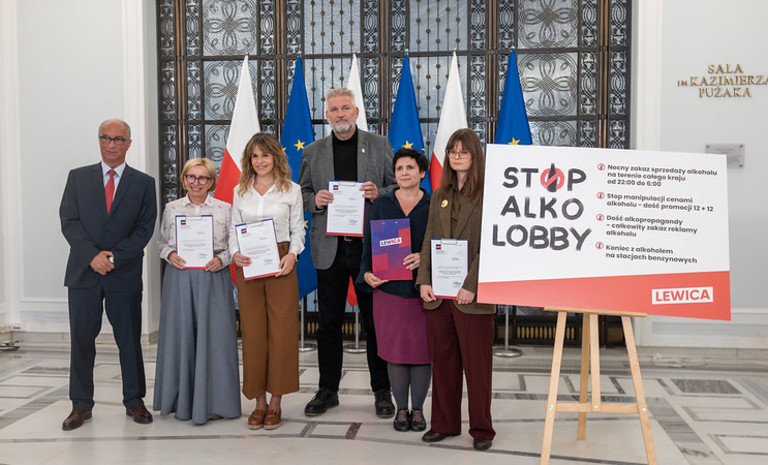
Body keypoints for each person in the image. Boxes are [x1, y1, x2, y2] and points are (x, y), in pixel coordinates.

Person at [299, 87, 397, 418]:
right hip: (330, 248)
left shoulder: (379, 145)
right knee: (328, 324)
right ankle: (327, 390)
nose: (339, 114)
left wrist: (378, 192)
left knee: (374, 323)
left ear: (356, 112)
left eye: (345, 108)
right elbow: (302, 192)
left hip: (369, 249)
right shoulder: (313, 151)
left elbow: (397, 187)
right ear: (326, 115)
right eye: (333, 109)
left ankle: (382, 390)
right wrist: (315, 200)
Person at [59, 119, 157, 430]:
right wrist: (92, 256)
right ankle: (80, 405)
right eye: (106, 138)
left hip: (123, 272)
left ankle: (134, 401)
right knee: (81, 340)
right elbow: (69, 221)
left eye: (118, 139)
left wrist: (114, 257)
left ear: (129, 144)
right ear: (99, 140)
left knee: (128, 339)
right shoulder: (77, 177)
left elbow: (144, 228)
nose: (111, 144)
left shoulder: (144, 183)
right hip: (83, 271)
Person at [415, 128, 497, 451]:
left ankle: (481, 429)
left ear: (475, 156)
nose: (457, 157)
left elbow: (491, 245)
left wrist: (471, 285)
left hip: (472, 297)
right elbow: (428, 240)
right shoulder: (439, 194)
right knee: (444, 363)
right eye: (452, 152)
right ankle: (444, 424)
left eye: (464, 152)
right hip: (439, 295)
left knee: (477, 368)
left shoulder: (490, 194)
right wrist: (424, 279)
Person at [153, 158, 241, 425]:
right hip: (180, 279)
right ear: (184, 179)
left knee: (216, 338)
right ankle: (180, 400)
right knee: (180, 336)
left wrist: (222, 260)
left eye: (203, 178)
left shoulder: (225, 209)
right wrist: (170, 255)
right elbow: (162, 243)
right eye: (191, 177)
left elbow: (234, 245)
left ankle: (217, 402)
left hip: (213, 278)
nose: (196, 182)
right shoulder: (172, 208)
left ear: (212, 182)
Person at [230, 133, 305, 430]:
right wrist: (234, 253)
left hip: (281, 263)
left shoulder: (291, 190)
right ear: (249, 160)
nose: (260, 161)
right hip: (248, 264)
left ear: (276, 157)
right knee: (253, 333)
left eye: (265, 155)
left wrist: (293, 255)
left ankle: (275, 402)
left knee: (282, 332)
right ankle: (258, 402)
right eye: (254, 156)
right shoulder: (240, 191)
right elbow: (234, 229)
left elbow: (298, 230)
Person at [358, 148, 432, 432]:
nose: (404, 173)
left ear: (422, 173)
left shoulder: (434, 204)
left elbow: (444, 242)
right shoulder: (382, 203)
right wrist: (366, 273)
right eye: (399, 168)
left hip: (423, 291)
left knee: (422, 352)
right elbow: (368, 244)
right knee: (395, 352)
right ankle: (401, 409)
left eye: (410, 168)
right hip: (388, 291)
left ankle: (418, 410)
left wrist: (424, 257)